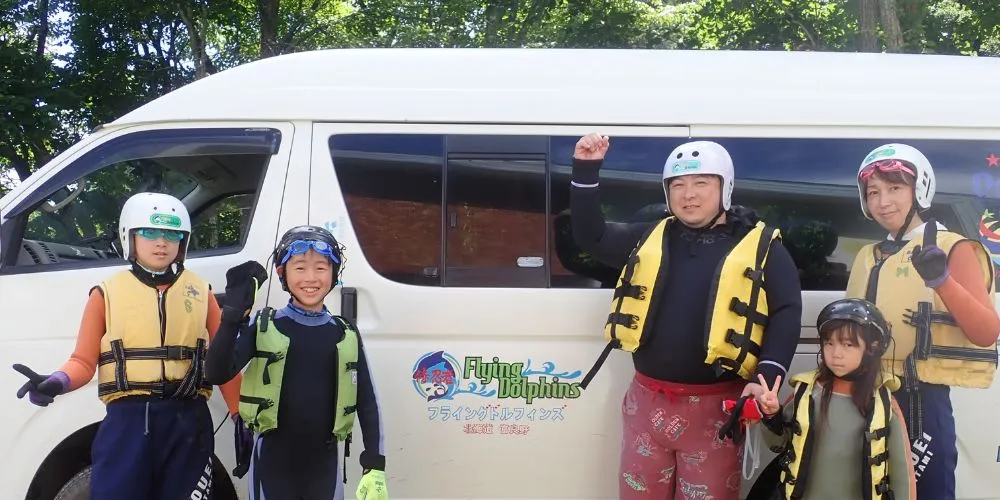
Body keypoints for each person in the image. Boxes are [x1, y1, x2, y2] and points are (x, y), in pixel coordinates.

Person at [570, 133, 803, 499]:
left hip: (716, 412)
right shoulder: (649, 236)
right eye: (678, 184)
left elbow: (787, 310)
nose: (688, 193)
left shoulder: (761, 248)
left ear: (724, 187)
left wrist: (768, 374)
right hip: (646, 405)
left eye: (701, 183)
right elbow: (591, 236)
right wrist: (585, 170)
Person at [13, 191, 243, 500]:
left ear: (183, 241)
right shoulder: (106, 295)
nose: (161, 242)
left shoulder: (201, 293)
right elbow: (82, 361)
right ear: (130, 237)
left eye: (171, 234)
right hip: (127, 425)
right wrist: (57, 382)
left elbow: (223, 363)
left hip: (188, 424)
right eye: (149, 232)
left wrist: (242, 417)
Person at [845, 143, 1000, 499]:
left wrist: (941, 280)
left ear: (920, 190)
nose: (884, 202)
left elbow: (986, 331)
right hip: (867, 393)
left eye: (895, 188)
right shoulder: (869, 257)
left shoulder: (953, 248)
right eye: (873, 192)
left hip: (921, 399)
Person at [204, 225, 388, 500]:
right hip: (273, 462)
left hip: (324, 465)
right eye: (300, 267)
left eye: (321, 268)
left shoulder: (345, 333)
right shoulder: (264, 325)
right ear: (282, 273)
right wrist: (232, 315)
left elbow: (368, 402)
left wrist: (374, 464)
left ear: (334, 273)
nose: (311, 278)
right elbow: (216, 373)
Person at [755, 298, 917, 500]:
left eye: (848, 344)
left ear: (873, 347)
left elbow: (903, 473)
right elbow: (777, 444)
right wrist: (771, 415)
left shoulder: (883, 403)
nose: (836, 354)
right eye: (829, 343)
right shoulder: (805, 393)